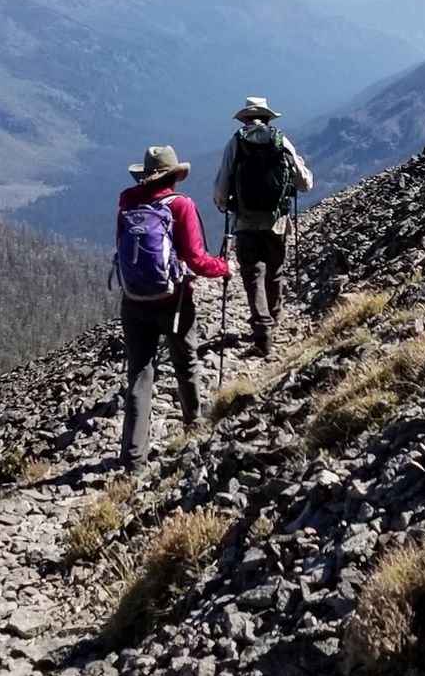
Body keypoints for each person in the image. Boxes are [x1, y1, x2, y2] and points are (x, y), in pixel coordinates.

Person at [115, 144, 231, 468]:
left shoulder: (128, 201)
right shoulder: (181, 205)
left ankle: (132, 458)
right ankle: (193, 422)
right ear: (174, 176)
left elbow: (119, 247)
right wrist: (223, 268)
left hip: (133, 300)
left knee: (139, 374)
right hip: (174, 301)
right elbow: (196, 258)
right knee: (185, 361)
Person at [213, 97, 314, 358]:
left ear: (245, 118)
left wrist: (224, 203)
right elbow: (304, 181)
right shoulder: (280, 140)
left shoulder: (237, 141)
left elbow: (222, 183)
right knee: (274, 272)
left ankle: (262, 330)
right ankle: (274, 316)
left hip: (245, 221)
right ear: (268, 118)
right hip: (276, 221)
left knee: (252, 276)